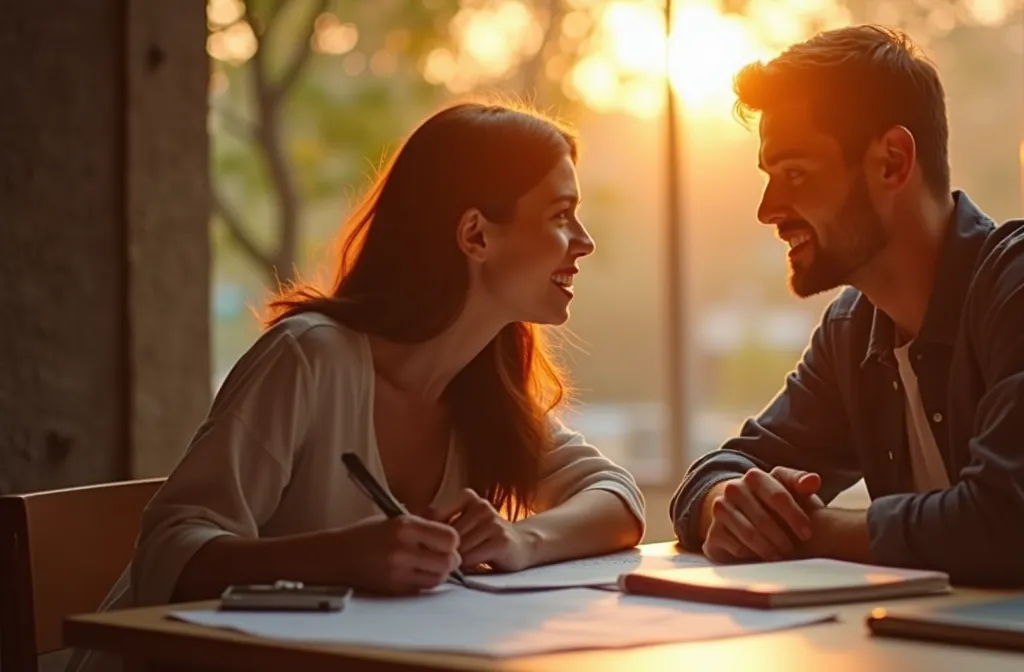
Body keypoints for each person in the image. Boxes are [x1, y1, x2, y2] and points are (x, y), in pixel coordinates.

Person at [69, 101, 645, 672]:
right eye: (561, 215)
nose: (584, 241)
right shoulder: (309, 358)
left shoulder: (483, 389)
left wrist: (521, 542)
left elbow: (616, 497)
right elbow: (169, 550)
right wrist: (341, 558)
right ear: (475, 235)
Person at [669, 25, 1024, 597]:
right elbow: (719, 474)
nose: (768, 210)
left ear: (892, 162)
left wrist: (804, 532)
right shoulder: (853, 330)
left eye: (795, 174)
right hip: (978, 639)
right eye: (770, 178)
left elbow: (1007, 530)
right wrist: (731, 507)